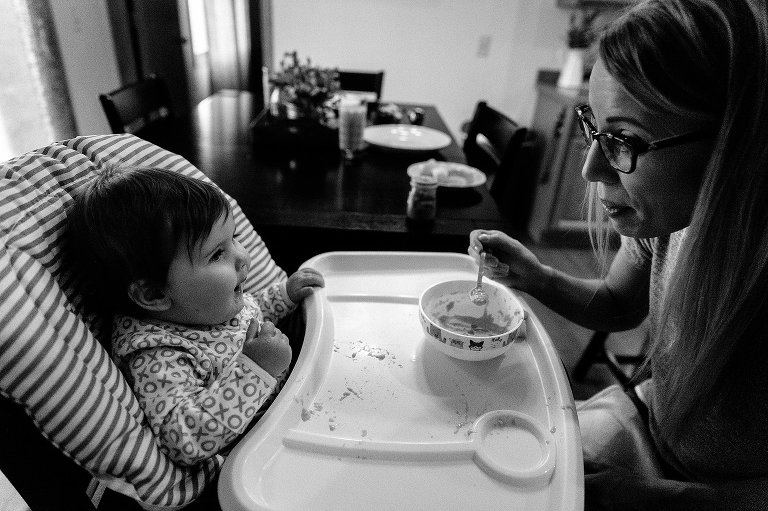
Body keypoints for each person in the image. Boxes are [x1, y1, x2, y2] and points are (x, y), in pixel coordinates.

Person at [470, 0, 768, 509]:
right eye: (595, 129)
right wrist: (536, 276)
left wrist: (668, 499)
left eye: (625, 139)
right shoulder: (669, 221)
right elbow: (616, 303)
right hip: (647, 422)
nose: (589, 169)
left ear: (734, 142)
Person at [66, 166, 324, 467]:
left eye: (235, 239)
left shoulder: (205, 306)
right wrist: (257, 368)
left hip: (301, 405)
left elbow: (250, 319)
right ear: (154, 295)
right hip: (267, 456)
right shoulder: (158, 355)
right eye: (217, 254)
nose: (242, 256)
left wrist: (285, 295)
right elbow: (184, 439)